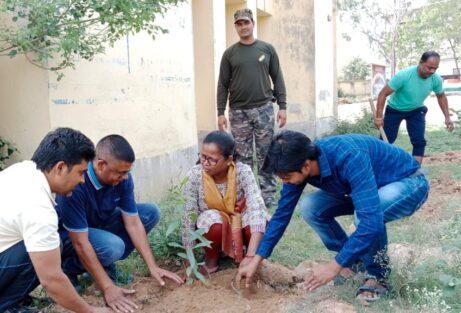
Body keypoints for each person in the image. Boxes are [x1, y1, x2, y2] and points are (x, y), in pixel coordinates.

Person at [236, 131, 430, 302]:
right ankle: (355, 262)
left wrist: (334, 265)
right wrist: (256, 259)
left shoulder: (349, 156)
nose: (284, 181)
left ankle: (377, 276)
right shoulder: (301, 162)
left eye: (285, 177)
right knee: (310, 207)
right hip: (367, 189)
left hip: (409, 182)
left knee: (366, 217)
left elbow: (371, 223)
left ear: (305, 166)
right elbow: (281, 216)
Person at [0, 128, 111, 313]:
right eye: (80, 173)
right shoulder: (37, 206)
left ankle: (14, 298)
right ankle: (0, 308)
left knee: (45, 242)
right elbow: (51, 280)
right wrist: (91, 311)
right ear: (60, 168)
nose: (83, 180)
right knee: (45, 248)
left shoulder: (25, 170)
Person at [56, 135, 183, 313]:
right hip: (69, 237)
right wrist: (108, 288)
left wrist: (153, 267)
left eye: (127, 172)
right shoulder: (77, 182)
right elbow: (80, 242)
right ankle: (69, 269)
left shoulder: (123, 179)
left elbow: (133, 222)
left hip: (97, 226)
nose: (125, 177)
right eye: (120, 172)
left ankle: (104, 265)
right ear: (101, 165)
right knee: (113, 246)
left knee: (150, 213)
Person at [217, 8, 287, 207]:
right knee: (242, 158)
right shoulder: (229, 54)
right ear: (235, 27)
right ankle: (245, 197)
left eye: (246, 22)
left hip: (264, 109)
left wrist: (282, 106)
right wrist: (220, 112)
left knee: (266, 153)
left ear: (252, 24)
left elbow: (277, 78)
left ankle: (268, 197)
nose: (243, 27)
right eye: (239, 24)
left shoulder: (267, 49)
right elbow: (222, 84)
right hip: (238, 113)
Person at [181, 131, 269, 276]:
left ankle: (251, 254)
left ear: (229, 160)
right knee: (211, 220)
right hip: (214, 230)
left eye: (212, 159)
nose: (205, 163)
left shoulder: (243, 172)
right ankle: (212, 258)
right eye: (202, 157)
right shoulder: (195, 176)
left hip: (239, 221)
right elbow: (188, 215)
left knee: (262, 218)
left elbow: (256, 206)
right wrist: (189, 258)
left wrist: (251, 256)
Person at [375, 51, 454, 164]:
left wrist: (447, 117)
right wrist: (379, 117)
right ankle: (379, 165)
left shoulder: (435, 79)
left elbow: (441, 96)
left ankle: (415, 169)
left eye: (435, 68)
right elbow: (382, 94)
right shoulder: (403, 76)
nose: (432, 71)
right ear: (421, 62)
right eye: (429, 67)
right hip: (395, 110)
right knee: (387, 139)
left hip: (416, 110)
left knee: (419, 141)